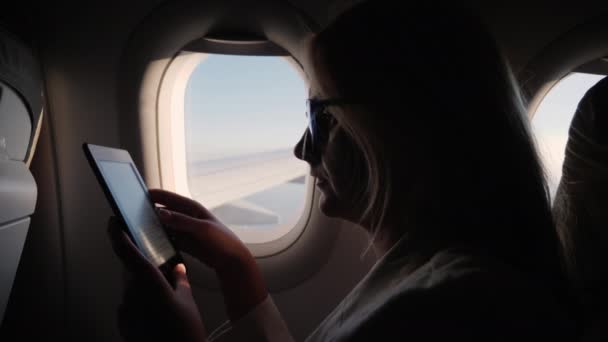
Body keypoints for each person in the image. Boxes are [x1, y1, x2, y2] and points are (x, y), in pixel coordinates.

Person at [108, 1, 576, 341]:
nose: (301, 149)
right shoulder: (435, 273)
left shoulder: (456, 309)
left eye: (320, 118)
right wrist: (238, 272)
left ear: (398, 128)